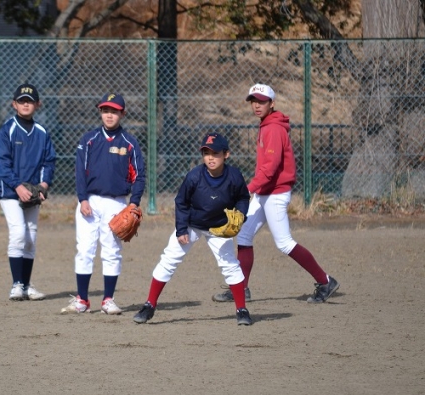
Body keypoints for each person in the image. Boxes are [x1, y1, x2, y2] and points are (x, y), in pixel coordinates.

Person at [212, 83, 339, 304]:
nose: (257, 105)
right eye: (253, 101)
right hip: (265, 193)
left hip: (276, 194)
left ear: (272, 103)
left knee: (284, 243)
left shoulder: (273, 128)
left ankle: (325, 281)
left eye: (262, 101)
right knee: (244, 235)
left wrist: (246, 190)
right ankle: (241, 288)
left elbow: (270, 169)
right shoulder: (267, 125)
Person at [132, 132, 253, 326]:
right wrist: (181, 230)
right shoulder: (195, 176)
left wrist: (240, 215)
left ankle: (241, 309)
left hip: (220, 227)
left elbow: (243, 198)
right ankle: (149, 305)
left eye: (215, 153)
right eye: (206, 153)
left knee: (230, 265)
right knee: (169, 259)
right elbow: (181, 202)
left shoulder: (234, 176)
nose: (210, 158)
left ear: (226, 154)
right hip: (192, 225)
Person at [61, 93, 146, 315]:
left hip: (116, 203)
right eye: (105, 110)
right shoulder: (89, 140)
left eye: (114, 111)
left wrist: (134, 203)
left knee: (112, 251)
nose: (109, 115)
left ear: (122, 114)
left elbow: (139, 176)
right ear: (100, 112)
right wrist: (82, 198)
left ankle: (108, 299)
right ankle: (82, 300)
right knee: (84, 250)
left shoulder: (129, 143)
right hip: (89, 201)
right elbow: (80, 171)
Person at [0, 83, 56, 301]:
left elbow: (49, 161)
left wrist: (44, 185)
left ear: (38, 104)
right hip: (11, 192)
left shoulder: (41, 132)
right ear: (14, 104)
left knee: (30, 236)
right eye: (22, 101)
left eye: (30, 101)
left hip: (33, 192)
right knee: (19, 232)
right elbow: (2, 164)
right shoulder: (8, 130)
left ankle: (27, 285)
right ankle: (16, 284)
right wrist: (17, 186)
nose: (26, 104)